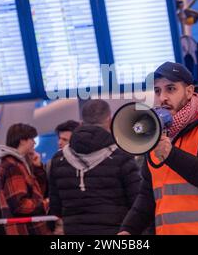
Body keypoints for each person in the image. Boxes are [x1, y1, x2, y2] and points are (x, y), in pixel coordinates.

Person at [119, 62, 198, 235]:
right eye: (157, 91)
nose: (162, 97)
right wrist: (128, 230)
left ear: (189, 91)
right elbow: (148, 195)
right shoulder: (158, 136)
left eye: (170, 89)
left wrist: (171, 154)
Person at [49, 99, 142, 235]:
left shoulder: (58, 159)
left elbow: (55, 208)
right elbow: (137, 202)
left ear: (81, 122)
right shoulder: (121, 156)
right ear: (110, 121)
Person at [0, 124, 51, 235]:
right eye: (32, 139)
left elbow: (37, 192)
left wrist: (37, 167)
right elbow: (20, 206)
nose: (34, 143)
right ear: (22, 140)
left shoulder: (19, 162)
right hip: (25, 230)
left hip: (31, 228)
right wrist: (46, 204)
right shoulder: (12, 165)